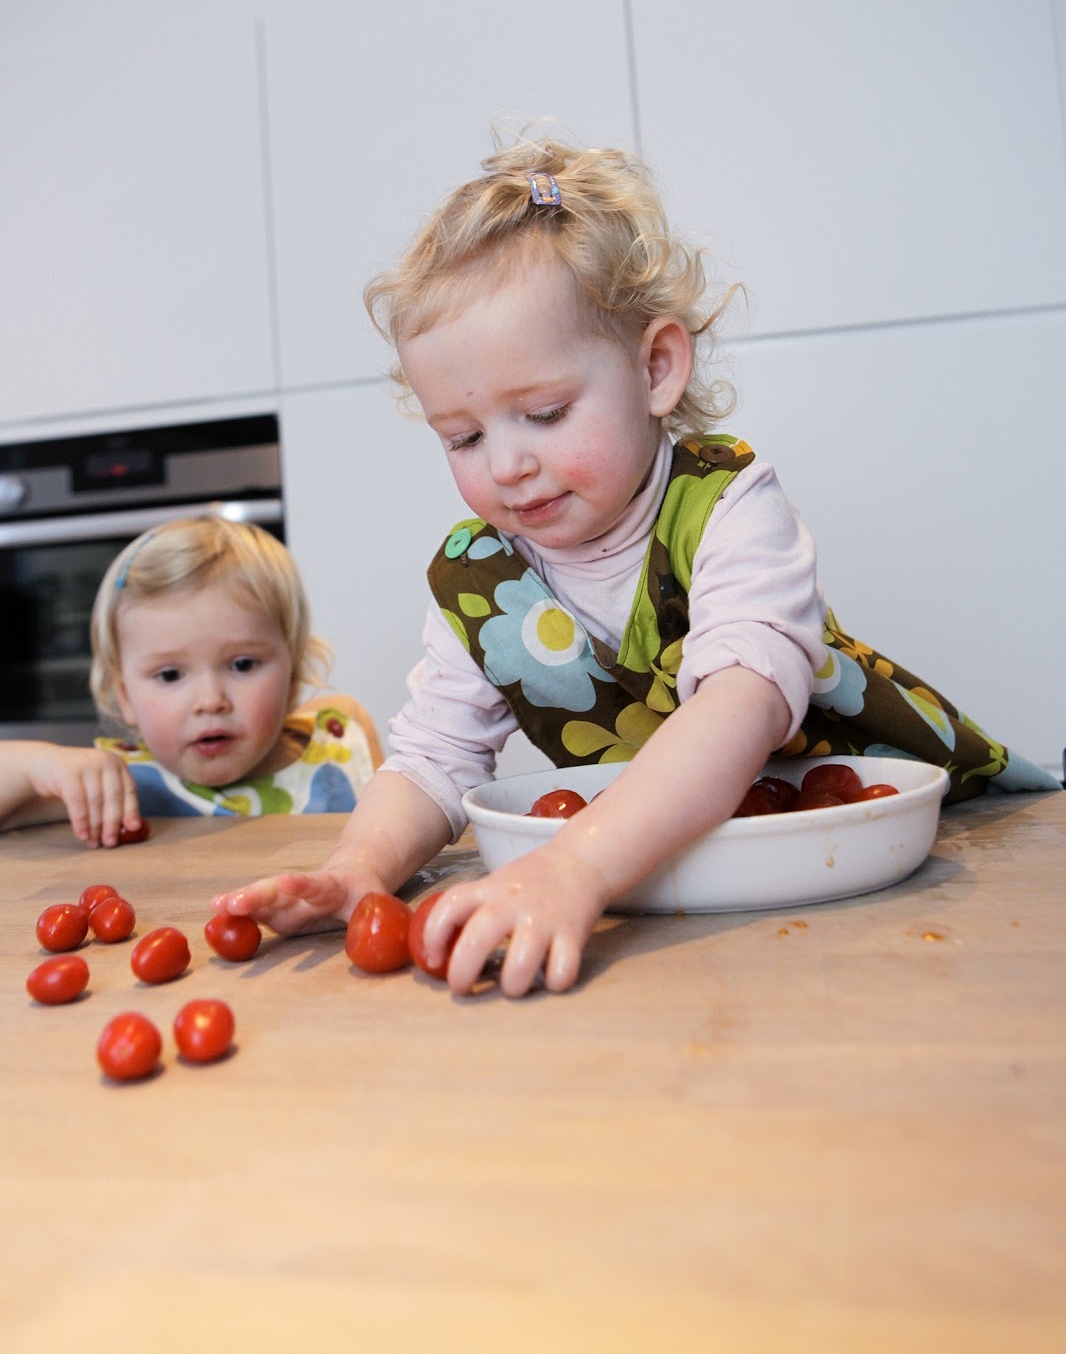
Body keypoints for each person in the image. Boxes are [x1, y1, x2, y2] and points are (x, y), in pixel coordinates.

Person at [214, 135, 1058, 997]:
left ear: (656, 367)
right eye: (463, 437)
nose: (505, 464)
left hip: (899, 862)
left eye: (542, 413)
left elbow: (740, 705)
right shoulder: (481, 581)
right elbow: (433, 760)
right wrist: (361, 866)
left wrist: (574, 868)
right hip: (679, 894)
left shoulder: (727, 506)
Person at [1, 516, 382, 847]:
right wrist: (40, 764)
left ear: (294, 678)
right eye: (170, 674)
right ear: (125, 697)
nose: (210, 700)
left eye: (243, 664)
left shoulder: (343, 743)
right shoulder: (123, 784)